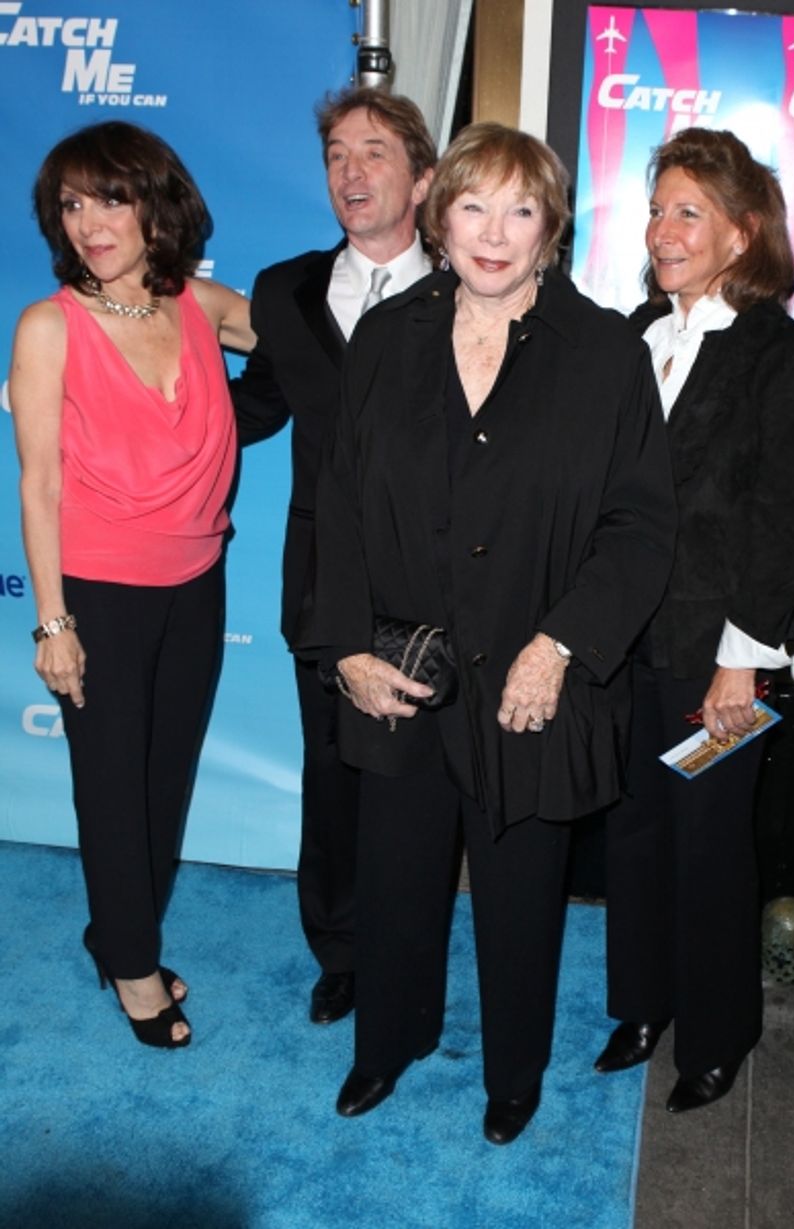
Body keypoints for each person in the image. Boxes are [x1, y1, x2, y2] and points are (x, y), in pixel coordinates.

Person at [298, 122, 676, 1143]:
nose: (494, 233)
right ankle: (390, 1041)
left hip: (530, 675)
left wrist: (559, 647)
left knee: (519, 895)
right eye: (473, 206)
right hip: (404, 666)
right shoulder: (386, 337)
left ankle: (514, 1072)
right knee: (397, 876)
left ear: (551, 227)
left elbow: (640, 526)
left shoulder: (603, 352)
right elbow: (336, 501)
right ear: (439, 213)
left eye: (520, 210)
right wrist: (347, 651)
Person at [594, 128, 794, 1112]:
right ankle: (643, 1003)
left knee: (709, 848)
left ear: (742, 234)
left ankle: (717, 1032)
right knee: (634, 834)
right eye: (657, 208)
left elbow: (785, 525)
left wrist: (743, 664)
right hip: (624, 649)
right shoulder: (633, 338)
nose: (662, 228)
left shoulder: (787, 362)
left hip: (719, 661)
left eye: (687, 210)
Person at [9, 120, 253, 1048]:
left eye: (109, 198)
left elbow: (314, 347)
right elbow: (39, 483)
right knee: (111, 788)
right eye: (71, 204)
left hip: (199, 581)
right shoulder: (47, 327)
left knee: (163, 781)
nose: (89, 222)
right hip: (99, 590)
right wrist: (52, 622)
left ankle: (117, 931)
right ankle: (134, 968)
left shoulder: (201, 305)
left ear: (157, 205)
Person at [230, 87, 437, 1026]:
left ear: (423, 177)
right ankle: (343, 949)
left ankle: (415, 944)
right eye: (337, 157)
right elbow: (252, 408)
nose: (352, 173)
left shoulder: (472, 284)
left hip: (444, 578)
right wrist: (129, 402)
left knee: (429, 782)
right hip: (322, 580)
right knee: (334, 774)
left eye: (375, 152)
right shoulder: (283, 291)